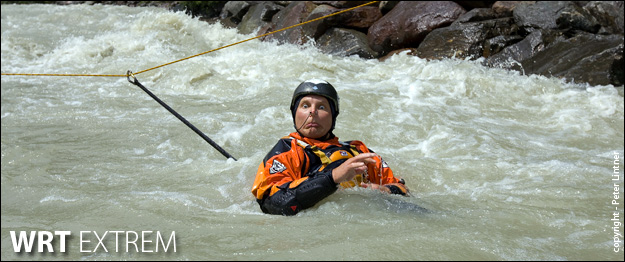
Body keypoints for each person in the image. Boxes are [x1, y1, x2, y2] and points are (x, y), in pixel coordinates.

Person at [251, 79, 409, 216]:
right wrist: (332, 178)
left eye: (321, 107)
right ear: (295, 113)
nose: (312, 112)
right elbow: (275, 205)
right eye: (305, 106)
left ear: (333, 115)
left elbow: (402, 188)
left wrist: (385, 191)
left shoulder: (358, 151)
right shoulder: (285, 151)